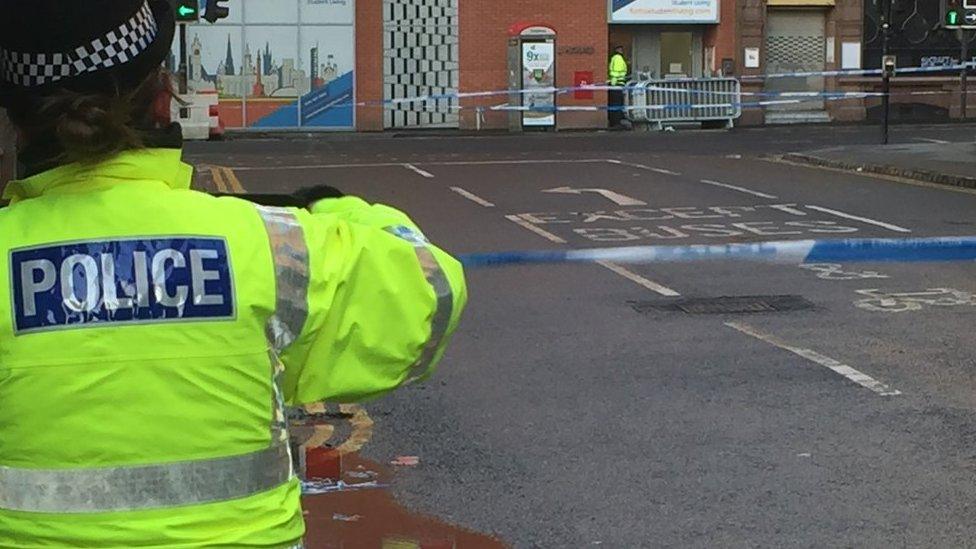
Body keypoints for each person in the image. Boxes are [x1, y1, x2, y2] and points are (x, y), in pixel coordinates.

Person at [0, 1, 467, 547]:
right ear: (160, 98)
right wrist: (331, 210)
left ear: (17, 120)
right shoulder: (274, 245)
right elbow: (429, 290)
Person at [608, 45, 630, 128]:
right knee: (617, 103)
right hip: (617, 85)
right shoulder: (618, 58)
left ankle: (615, 121)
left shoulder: (615, 57)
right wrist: (614, 84)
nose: (622, 50)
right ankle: (616, 123)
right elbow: (615, 72)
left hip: (616, 84)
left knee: (615, 103)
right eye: (621, 49)